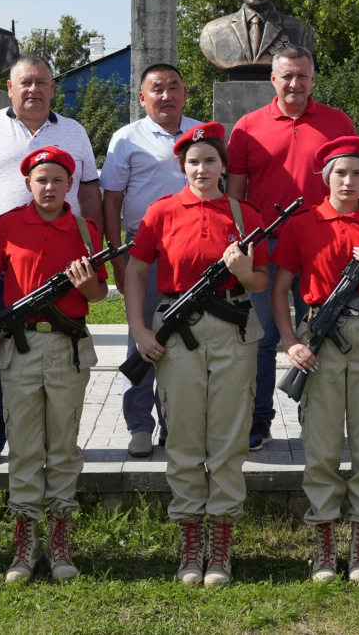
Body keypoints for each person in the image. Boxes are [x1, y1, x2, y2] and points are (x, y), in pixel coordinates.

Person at [123, 122, 269, 587]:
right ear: (180, 166)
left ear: (223, 166)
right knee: (183, 436)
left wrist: (245, 273)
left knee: (229, 437)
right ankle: (190, 540)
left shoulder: (246, 215)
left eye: (210, 160)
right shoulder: (160, 212)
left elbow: (262, 280)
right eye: (193, 162)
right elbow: (136, 272)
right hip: (176, 329)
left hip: (234, 330)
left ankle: (221, 541)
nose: (202, 169)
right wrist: (138, 329)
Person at [0, 146, 107, 583]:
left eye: (58, 180)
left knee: (63, 444)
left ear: (71, 184)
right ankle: (25, 542)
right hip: (21, 350)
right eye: (41, 179)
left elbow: (100, 295)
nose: (49, 187)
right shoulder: (8, 224)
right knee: (25, 445)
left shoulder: (86, 229)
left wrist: (88, 287)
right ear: (28, 183)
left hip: (67, 348)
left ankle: (61, 540)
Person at [272, 136, 359, 584]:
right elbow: (280, 290)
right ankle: (325, 544)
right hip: (320, 340)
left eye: (358, 174)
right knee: (323, 446)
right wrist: (290, 340)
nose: (349, 182)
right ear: (325, 178)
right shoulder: (304, 223)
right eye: (340, 173)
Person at [0, 55, 102, 466]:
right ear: (10, 88)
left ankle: (53, 437)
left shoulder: (74, 131)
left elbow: (89, 193)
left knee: (53, 347)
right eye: (25, 82)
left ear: (54, 88)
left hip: (61, 262)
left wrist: (93, 243)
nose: (34, 89)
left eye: (42, 82)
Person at [227, 45, 356, 450]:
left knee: (319, 331)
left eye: (302, 75)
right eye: (287, 76)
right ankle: (258, 421)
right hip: (266, 247)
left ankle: (315, 421)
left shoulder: (338, 123)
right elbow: (235, 195)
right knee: (263, 337)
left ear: (313, 78)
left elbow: (356, 186)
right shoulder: (247, 127)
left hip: (322, 247)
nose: (295, 83)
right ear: (273, 79)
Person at [99, 63, 200, 458]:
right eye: (156, 88)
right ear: (142, 98)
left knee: (185, 339)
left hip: (192, 251)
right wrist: (116, 259)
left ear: (184, 93)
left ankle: (176, 422)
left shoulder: (200, 134)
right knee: (140, 337)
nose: (166, 95)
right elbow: (111, 201)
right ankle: (139, 424)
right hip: (142, 247)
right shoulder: (127, 139)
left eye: (174, 87)